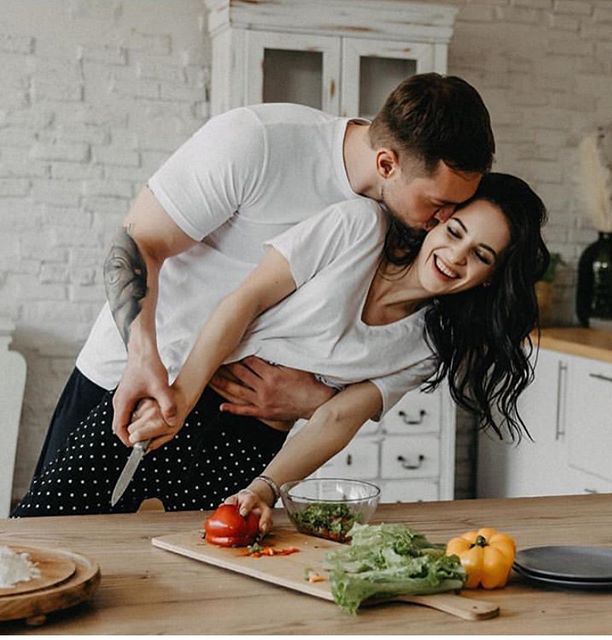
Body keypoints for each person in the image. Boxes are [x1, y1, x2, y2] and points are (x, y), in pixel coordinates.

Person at [30, 73, 495, 484]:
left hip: (239, 420)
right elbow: (136, 243)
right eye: (438, 203)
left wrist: (314, 400)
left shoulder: (402, 222)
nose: (446, 218)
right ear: (387, 164)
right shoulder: (260, 141)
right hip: (133, 379)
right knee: (57, 545)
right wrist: (141, 357)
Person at [13, 173, 550, 523]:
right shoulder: (358, 227)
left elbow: (340, 417)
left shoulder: (429, 344)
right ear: (436, 221)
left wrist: (266, 489)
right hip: (181, 401)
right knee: (45, 533)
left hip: (246, 451)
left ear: (489, 278)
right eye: (455, 231)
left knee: (194, 578)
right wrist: (176, 398)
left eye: (480, 255)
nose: (455, 256)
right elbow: (243, 301)